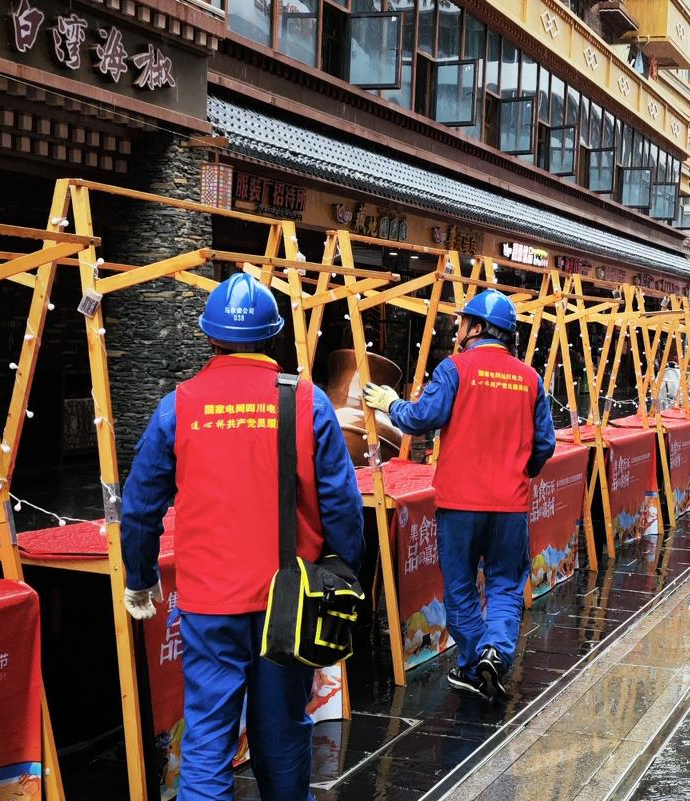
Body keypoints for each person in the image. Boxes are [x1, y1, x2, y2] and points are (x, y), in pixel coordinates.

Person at [120, 273, 364, 801]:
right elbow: (343, 505)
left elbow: (139, 506)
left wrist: (139, 578)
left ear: (210, 338)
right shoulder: (307, 402)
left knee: (208, 738)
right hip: (290, 604)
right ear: (273, 336)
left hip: (209, 603)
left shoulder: (178, 405)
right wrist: (345, 570)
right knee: (282, 735)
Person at [363, 289, 555, 699]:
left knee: (462, 587)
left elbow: (422, 418)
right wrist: (523, 472)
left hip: (458, 504)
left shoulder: (454, 369)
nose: (459, 328)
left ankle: (472, 662)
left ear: (480, 328)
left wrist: (390, 403)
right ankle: (495, 654)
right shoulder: (530, 378)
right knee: (505, 585)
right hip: (510, 505)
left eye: (464, 322)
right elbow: (545, 445)